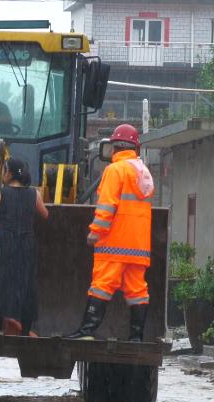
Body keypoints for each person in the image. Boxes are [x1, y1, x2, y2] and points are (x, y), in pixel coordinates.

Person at [64, 124, 154, 341]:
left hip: (114, 243)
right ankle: (136, 338)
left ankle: (87, 331)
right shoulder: (143, 172)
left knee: (102, 286)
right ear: (135, 148)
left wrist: (96, 231)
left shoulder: (115, 170)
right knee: (137, 290)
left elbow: (107, 205)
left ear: (114, 148)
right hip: (139, 247)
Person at [0, 158, 49, 336]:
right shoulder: (34, 194)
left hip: (4, 242)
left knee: (2, 280)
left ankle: (1, 324)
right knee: (26, 282)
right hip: (26, 242)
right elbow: (45, 214)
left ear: (8, 173)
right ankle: (25, 326)